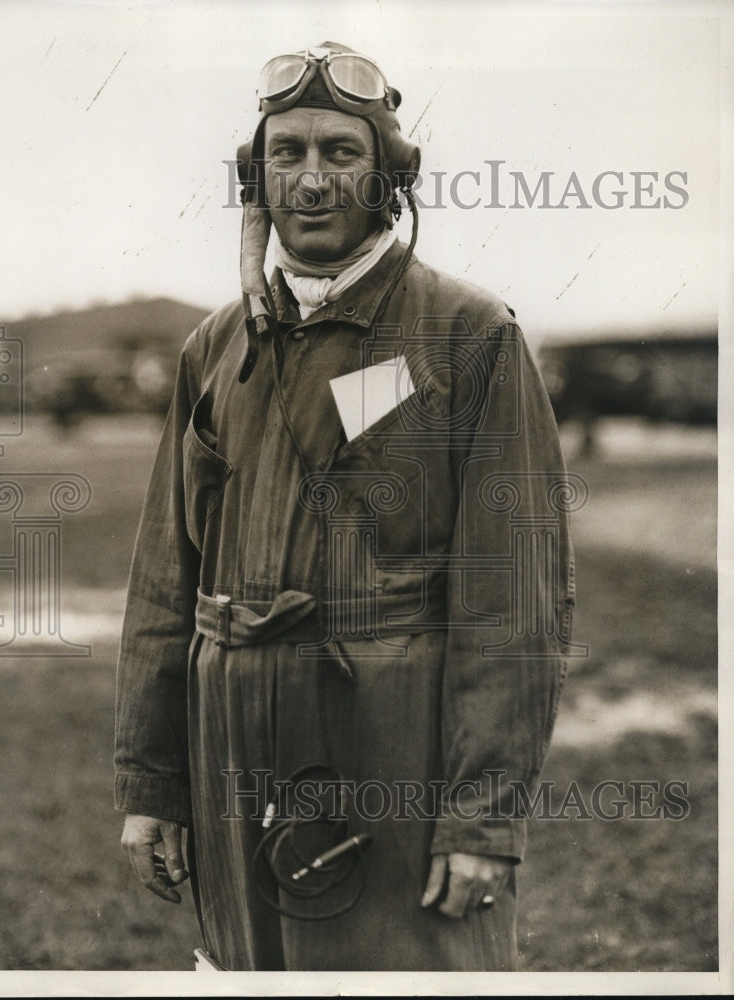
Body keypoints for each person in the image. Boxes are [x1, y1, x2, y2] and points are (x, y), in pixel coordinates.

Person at [115, 42, 576, 972]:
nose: (312, 180)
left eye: (340, 153)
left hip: (389, 754)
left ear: (388, 178)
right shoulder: (215, 348)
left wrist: (480, 819)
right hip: (231, 755)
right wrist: (152, 783)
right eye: (287, 154)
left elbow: (513, 606)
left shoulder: (467, 336)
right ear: (255, 179)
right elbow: (168, 581)